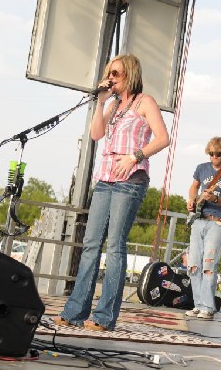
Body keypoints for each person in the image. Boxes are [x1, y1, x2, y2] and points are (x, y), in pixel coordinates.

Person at [55, 53, 170, 331]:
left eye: (115, 74)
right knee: (91, 244)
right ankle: (75, 311)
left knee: (115, 245)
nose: (111, 78)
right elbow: (96, 134)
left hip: (130, 178)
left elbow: (163, 138)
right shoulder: (114, 105)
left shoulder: (146, 102)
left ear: (129, 73)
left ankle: (104, 317)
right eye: (109, 73)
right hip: (105, 178)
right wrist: (100, 101)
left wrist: (135, 155)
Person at [184, 137, 221, 320]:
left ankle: (208, 307)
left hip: (217, 222)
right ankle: (198, 304)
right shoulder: (201, 168)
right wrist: (192, 200)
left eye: (218, 153)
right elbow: (193, 187)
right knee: (193, 265)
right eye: (211, 154)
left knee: (209, 265)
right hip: (199, 219)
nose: (214, 157)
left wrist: (214, 198)